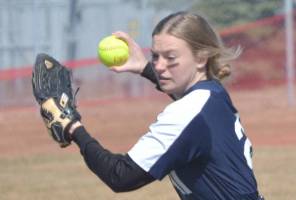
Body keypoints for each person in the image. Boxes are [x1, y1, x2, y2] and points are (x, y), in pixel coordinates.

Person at [68, 11, 263, 199]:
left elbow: (121, 176)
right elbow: (189, 102)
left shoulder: (186, 113)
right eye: (155, 56)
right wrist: (144, 67)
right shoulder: (214, 93)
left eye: (170, 57)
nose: (159, 66)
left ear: (201, 58)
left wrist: (73, 127)